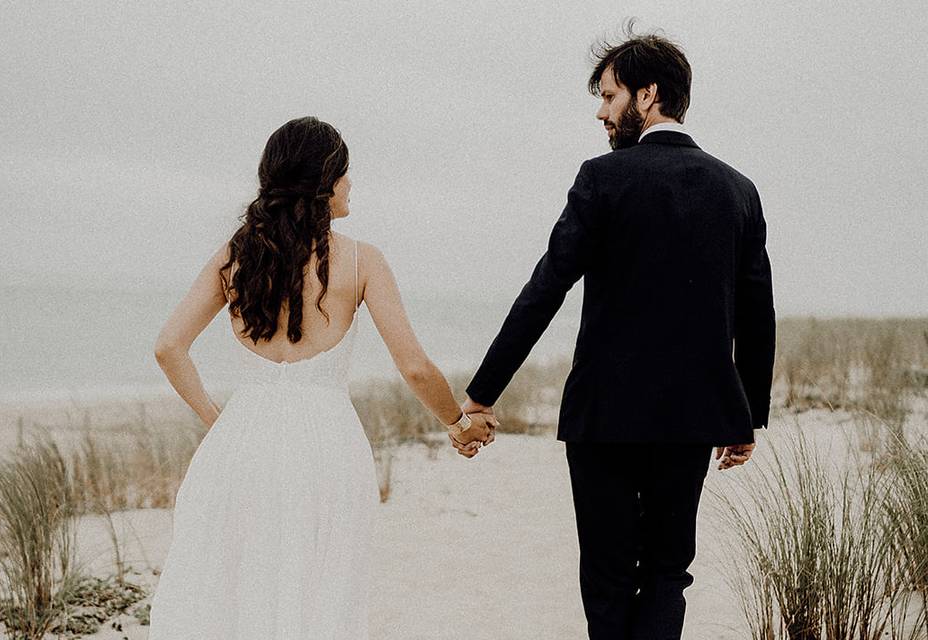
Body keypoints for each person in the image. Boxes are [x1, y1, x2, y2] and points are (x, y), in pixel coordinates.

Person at [457, 25, 776, 640]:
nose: (601, 113)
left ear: (647, 95)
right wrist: (747, 416)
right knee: (667, 570)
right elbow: (755, 313)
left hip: (605, 415)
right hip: (692, 416)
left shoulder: (602, 178)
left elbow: (546, 286)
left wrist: (483, 392)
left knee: (606, 575)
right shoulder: (739, 190)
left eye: (608, 97)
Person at [149, 116, 496, 638]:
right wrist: (456, 423)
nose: (352, 183)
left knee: (235, 589)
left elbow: (169, 346)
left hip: (241, 442)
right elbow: (416, 367)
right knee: (322, 591)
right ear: (324, 182)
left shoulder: (237, 255)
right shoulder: (361, 261)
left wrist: (216, 419)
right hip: (327, 446)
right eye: (345, 172)